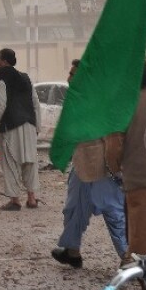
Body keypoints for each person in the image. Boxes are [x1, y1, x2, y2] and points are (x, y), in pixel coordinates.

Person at [51, 60, 127, 268]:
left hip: (102, 166)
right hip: (82, 164)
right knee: (74, 208)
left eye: (73, 74)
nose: (69, 78)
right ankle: (72, 251)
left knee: (113, 211)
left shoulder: (99, 100)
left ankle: (128, 256)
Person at [0, 48, 40, 211]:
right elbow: (35, 103)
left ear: (4, 61)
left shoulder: (1, 79)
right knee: (30, 161)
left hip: (11, 127)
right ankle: (31, 198)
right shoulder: (26, 78)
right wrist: (37, 125)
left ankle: (15, 200)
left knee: (11, 163)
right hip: (29, 125)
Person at [122, 57, 146, 260]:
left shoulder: (126, 104)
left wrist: (114, 167)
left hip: (137, 177)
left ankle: (143, 270)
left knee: (140, 236)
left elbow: (114, 144)